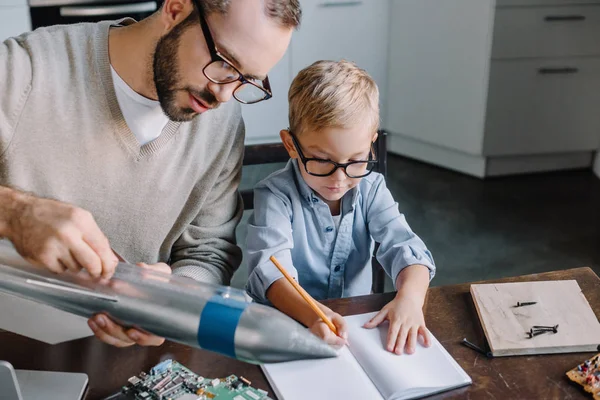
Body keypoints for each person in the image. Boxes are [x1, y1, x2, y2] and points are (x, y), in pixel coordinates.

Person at [0, 0, 301, 347]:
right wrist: (17, 214)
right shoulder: (23, 71)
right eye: (224, 63)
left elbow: (209, 251)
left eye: (247, 80)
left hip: (132, 365)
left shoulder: (222, 126)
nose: (223, 93)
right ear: (175, 9)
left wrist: (176, 299)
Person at [245, 60, 436, 355]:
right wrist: (313, 316)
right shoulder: (275, 196)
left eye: (356, 161)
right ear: (291, 145)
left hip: (356, 329)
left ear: (371, 146)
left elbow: (408, 250)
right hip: (287, 327)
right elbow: (270, 271)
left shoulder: (371, 189)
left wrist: (410, 300)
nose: (340, 178)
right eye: (322, 160)